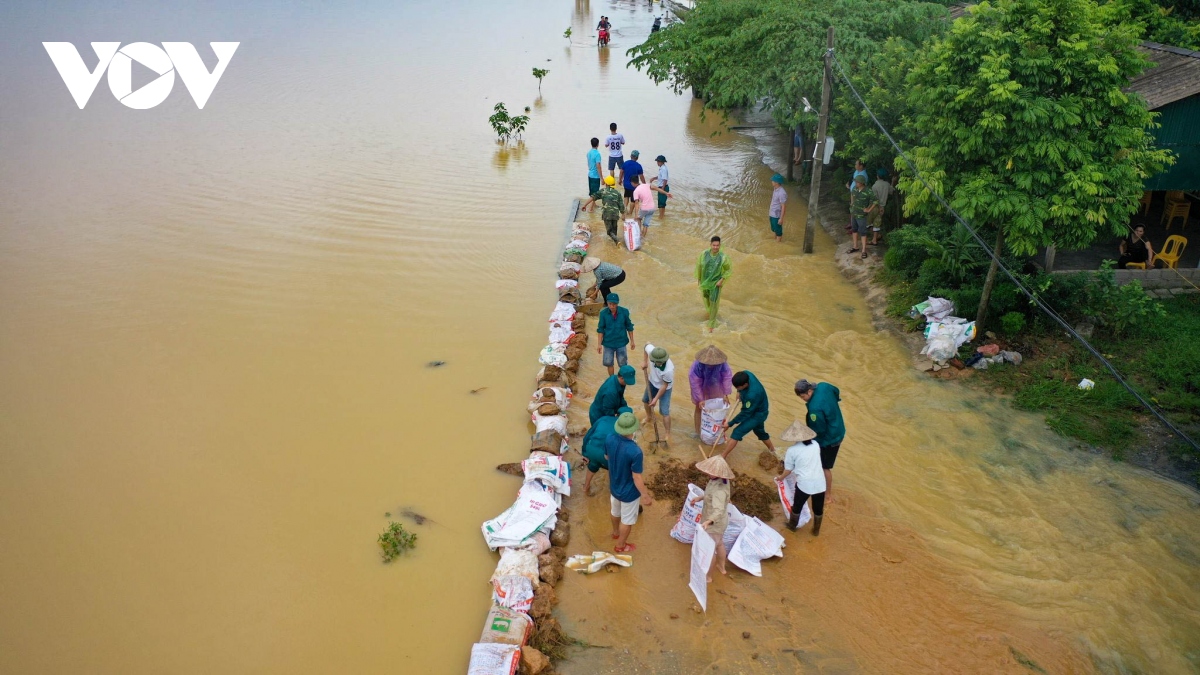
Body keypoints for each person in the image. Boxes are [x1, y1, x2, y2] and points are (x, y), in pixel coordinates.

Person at [606, 411, 653, 553]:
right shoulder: (635, 451)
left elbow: (606, 457)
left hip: (614, 486)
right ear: (634, 429)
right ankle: (620, 545)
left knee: (615, 511)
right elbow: (636, 477)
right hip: (629, 493)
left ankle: (615, 533)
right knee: (627, 520)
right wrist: (645, 495)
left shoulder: (609, 438)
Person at [794, 379, 845, 501]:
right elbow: (836, 391)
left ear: (809, 391)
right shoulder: (823, 386)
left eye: (803, 396)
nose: (803, 399)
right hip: (839, 428)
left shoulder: (814, 409)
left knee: (824, 466)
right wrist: (833, 404)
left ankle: (828, 495)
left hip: (831, 439)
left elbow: (819, 430)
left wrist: (809, 441)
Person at [776, 421, 826, 536]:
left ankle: (792, 526)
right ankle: (816, 531)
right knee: (818, 509)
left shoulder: (792, 450)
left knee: (797, 506)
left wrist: (780, 478)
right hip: (820, 483)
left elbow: (788, 470)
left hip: (804, 484)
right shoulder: (815, 444)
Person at [688, 455, 734, 580]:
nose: (708, 474)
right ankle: (721, 567)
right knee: (719, 544)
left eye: (711, 472)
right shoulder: (720, 479)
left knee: (710, 549)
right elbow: (710, 494)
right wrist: (700, 497)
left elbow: (718, 510)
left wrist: (708, 522)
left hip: (715, 523)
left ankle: (708, 576)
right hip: (720, 521)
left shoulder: (719, 490)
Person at [720, 371, 776, 458]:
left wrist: (730, 424)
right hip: (759, 407)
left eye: (739, 387)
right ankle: (773, 451)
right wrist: (739, 392)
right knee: (759, 432)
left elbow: (745, 413)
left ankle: (723, 456)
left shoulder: (752, 394)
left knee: (737, 432)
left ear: (745, 384)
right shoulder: (747, 374)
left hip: (758, 414)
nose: (737, 389)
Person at [581, 405, 633, 496]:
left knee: (593, 465)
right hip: (605, 454)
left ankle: (585, 487)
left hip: (591, 449)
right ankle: (614, 493)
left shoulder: (603, 418)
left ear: (617, 414)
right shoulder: (624, 429)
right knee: (616, 469)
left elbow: (587, 436)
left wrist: (584, 453)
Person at [689, 345, 733, 437]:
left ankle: (713, 432)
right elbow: (695, 382)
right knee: (699, 407)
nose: (710, 365)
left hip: (715, 385)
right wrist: (700, 399)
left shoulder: (723, 364)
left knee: (715, 407)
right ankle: (697, 432)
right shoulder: (697, 366)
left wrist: (726, 393)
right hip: (700, 385)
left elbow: (727, 377)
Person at [695, 236, 731, 332]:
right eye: (714, 245)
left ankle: (711, 324)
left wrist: (721, 280)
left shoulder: (723, 257)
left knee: (714, 302)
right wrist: (699, 278)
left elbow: (728, 270)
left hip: (716, 283)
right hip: (705, 281)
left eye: (717, 245)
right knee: (707, 299)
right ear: (710, 245)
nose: (715, 247)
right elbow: (699, 266)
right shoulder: (704, 254)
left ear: (720, 245)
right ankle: (711, 314)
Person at [641, 343, 675, 441]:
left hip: (665, 387)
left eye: (659, 363)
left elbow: (664, 385)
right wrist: (645, 362)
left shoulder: (668, 370)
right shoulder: (652, 352)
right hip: (652, 382)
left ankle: (667, 433)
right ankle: (649, 417)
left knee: (664, 411)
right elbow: (646, 345)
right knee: (645, 400)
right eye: (655, 362)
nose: (657, 364)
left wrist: (655, 399)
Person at [596, 293, 635, 376]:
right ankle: (612, 379)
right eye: (610, 304)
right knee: (608, 362)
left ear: (617, 304)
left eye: (614, 304)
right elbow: (601, 329)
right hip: (608, 343)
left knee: (622, 363)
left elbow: (629, 326)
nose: (612, 306)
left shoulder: (624, 312)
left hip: (621, 342)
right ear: (607, 303)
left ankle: (622, 379)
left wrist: (632, 341)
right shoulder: (603, 314)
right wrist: (599, 344)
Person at [583, 175, 624, 244]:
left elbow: (593, 197)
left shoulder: (603, 191)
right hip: (615, 215)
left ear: (606, 184)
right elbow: (621, 205)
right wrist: (623, 214)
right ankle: (615, 245)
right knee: (614, 231)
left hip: (607, 214)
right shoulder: (617, 193)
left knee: (609, 232)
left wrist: (585, 205)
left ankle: (617, 241)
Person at [848, 174, 878, 260]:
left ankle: (864, 250)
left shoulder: (868, 191)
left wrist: (868, 209)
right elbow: (852, 196)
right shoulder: (854, 189)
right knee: (854, 230)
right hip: (854, 213)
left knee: (863, 232)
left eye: (857, 181)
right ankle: (855, 246)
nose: (855, 183)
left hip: (862, 215)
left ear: (861, 183)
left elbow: (875, 201)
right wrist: (852, 204)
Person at [632, 174, 670, 239]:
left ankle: (638, 235)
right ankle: (643, 237)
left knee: (638, 219)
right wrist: (666, 193)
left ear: (632, 183)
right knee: (646, 224)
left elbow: (636, 203)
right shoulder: (647, 185)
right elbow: (656, 188)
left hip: (644, 208)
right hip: (652, 208)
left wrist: (636, 215)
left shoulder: (636, 191)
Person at [869, 168, 893, 246]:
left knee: (873, 222)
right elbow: (891, 191)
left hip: (876, 207)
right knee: (877, 222)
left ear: (877, 176)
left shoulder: (874, 186)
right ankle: (875, 238)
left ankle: (874, 239)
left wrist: (879, 207)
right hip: (883, 206)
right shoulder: (887, 184)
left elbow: (875, 199)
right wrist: (893, 181)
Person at [845, 160, 868, 231]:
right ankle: (852, 224)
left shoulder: (863, 175)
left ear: (861, 166)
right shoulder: (856, 172)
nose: (855, 165)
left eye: (856, 164)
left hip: (857, 195)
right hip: (853, 193)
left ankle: (854, 227)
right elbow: (854, 180)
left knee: (855, 209)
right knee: (852, 208)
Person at [768, 173, 787, 242]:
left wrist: (781, 218)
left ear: (776, 182)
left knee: (778, 231)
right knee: (774, 229)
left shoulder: (782, 193)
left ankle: (778, 244)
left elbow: (783, 206)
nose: (771, 182)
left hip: (777, 215)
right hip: (772, 213)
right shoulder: (775, 189)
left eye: (773, 181)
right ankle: (775, 241)